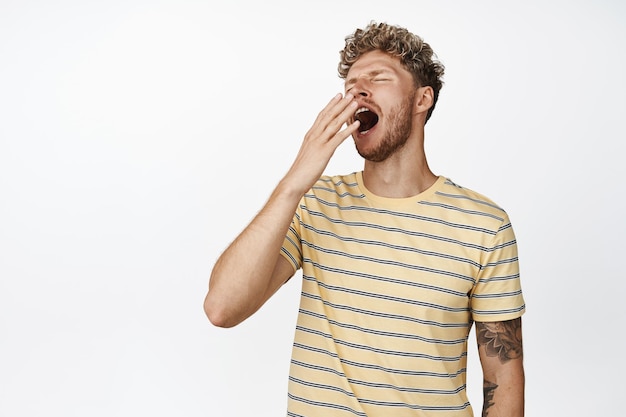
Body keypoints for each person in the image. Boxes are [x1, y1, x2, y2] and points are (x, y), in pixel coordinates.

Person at [204, 21, 525, 417]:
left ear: (423, 99)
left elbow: (503, 375)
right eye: (352, 84)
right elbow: (222, 308)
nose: (358, 91)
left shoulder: (484, 225)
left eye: (378, 78)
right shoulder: (314, 203)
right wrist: (292, 184)